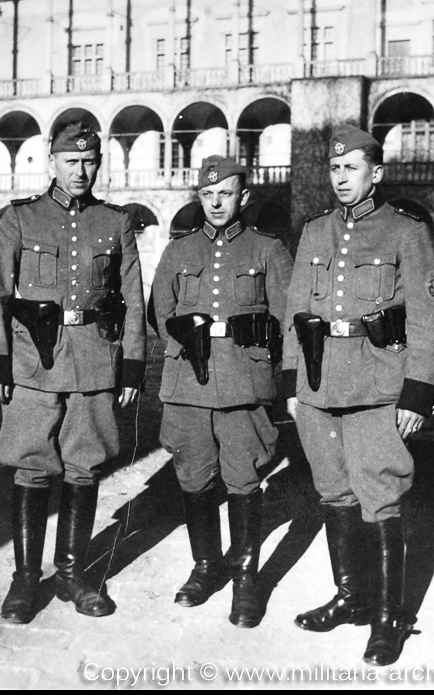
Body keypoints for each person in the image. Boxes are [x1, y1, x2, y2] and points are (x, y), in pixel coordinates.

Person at [282, 124, 434, 666]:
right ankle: (351, 599)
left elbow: (426, 316)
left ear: (376, 173)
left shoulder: (406, 231)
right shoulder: (314, 232)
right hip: (318, 382)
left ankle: (387, 619)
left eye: (351, 168)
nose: (341, 178)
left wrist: (417, 396)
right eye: (334, 169)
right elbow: (294, 311)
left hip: (379, 384)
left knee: (381, 494)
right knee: (334, 490)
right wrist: (292, 384)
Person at [0, 120, 146, 624]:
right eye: (71, 161)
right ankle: (26, 579)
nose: (80, 170)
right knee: (31, 463)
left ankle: (73, 574)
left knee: (85, 463)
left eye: (89, 161)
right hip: (34, 360)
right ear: (51, 161)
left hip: (95, 360)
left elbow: (133, 301)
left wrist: (132, 368)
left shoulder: (115, 222)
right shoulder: (20, 219)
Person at [148, 155, 293, 629]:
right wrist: (183, 337)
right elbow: (160, 312)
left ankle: (247, 579)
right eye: (207, 195)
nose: (215, 202)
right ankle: (207, 566)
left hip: (242, 382)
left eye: (225, 194)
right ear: (198, 198)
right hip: (187, 382)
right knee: (193, 476)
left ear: (243, 197)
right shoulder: (178, 251)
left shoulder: (267, 250)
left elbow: (286, 320)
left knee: (244, 477)